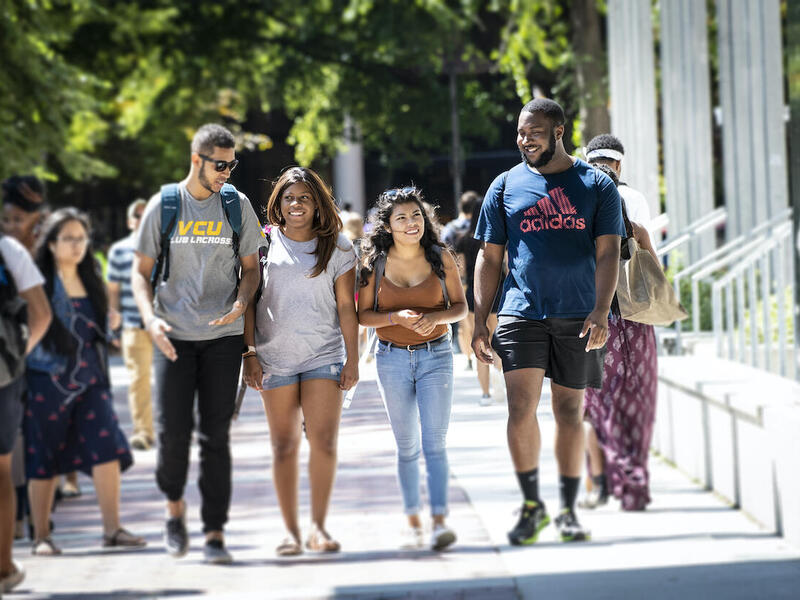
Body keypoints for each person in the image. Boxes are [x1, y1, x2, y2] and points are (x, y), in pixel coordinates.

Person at [471, 98, 624, 545]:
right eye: (520, 132)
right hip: (522, 311)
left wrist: (600, 310)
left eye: (533, 131)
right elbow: (490, 256)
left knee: (569, 411)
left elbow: (609, 250)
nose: (524, 140)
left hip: (579, 314)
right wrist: (482, 320)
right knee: (520, 407)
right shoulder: (504, 186)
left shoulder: (595, 184)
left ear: (558, 131)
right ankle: (532, 505)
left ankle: (569, 509)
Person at [132, 123, 262, 564]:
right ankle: (174, 511)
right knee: (172, 436)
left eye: (232, 164)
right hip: (173, 337)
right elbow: (139, 270)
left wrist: (241, 304)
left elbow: (251, 270)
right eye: (220, 165)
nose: (227, 172)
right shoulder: (165, 204)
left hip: (222, 337)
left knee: (216, 437)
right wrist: (150, 320)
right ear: (196, 160)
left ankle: (214, 532)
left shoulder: (236, 205)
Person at [242, 167, 358, 556]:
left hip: (323, 356)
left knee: (323, 442)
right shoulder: (261, 245)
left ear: (317, 203)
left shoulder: (338, 248)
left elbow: (346, 308)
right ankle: (290, 532)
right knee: (283, 446)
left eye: (304, 198)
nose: (296, 204)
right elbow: (248, 304)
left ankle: (318, 528)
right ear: (279, 203)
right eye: (289, 198)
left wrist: (353, 359)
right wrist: (250, 354)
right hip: (274, 359)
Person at [24, 208, 145, 555]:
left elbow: (95, 328)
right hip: (47, 378)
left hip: (91, 378)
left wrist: (112, 324)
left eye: (82, 238)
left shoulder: (91, 274)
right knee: (43, 456)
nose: (77, 245)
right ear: (51, 244)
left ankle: (112, 529)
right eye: (69, 239)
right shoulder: (37, 283)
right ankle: (42, 536)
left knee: (106, 446)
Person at [357, 186, 467, 551]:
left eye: (416, 215)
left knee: (434, 444)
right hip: (390, 359)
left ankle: (438, 522)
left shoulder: (441, 257)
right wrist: (393, 316)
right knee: (406, 446)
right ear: (388, 225)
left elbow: (461, 308)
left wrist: (434, 318)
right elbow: (363, 316)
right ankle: (413, 522)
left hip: (436, 356)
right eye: (401, 218)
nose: (411, 223)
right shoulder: (377, 263)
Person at [581, 139, 659, 511]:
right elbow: (656, 278)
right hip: (638, 324)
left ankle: (605, 481)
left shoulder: (579, 232)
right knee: (638, 405)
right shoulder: (638, 226)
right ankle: (634, 481)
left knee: (599, 406)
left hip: (595, 325)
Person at [0, 231, 51, 592]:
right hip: (3, 374)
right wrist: (17, 358)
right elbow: (41, 314)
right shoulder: (7, 248)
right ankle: (3, 569)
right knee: (1, 470)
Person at [107, 199, 154, 451]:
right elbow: (113, 291)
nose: (141, 218)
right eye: (136, 215)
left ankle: (173, 431)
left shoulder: (165, 244)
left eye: (145, 214)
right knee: (138, 380)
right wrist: (112, 326)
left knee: (175, 382)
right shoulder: (119, 251)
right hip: (133, 325)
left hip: (168, 325)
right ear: (129, 221)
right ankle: (143, 432)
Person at [454, 201, 504, 406]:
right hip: (499, 292)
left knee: (480, 344)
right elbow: (507, 267)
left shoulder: (463, 240)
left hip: (475, 294)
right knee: (499, 340)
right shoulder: (500, 237)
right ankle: (500, 380)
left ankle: (485, 393)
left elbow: (461, 272)